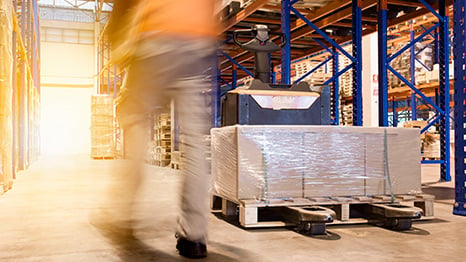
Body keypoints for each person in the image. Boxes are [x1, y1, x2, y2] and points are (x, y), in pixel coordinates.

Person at [100, 0, 219, 259]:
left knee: (133, 120)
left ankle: (123, 216)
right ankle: (194, 236)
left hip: (155, 39)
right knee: (195, 145)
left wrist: (119, 42)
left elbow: (123, 7)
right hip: (195, 46)